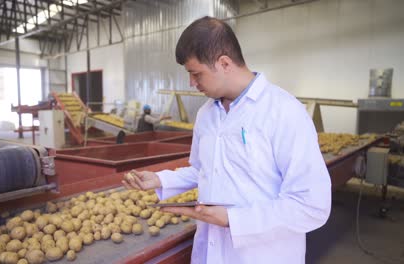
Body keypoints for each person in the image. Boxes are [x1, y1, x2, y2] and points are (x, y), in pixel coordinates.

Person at [123, 16, 331, 263]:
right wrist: (160, 179)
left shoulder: (283, 111)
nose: (191, 83)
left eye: (195, 73)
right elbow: (203, 170)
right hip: (210, 254)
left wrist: (235, 220)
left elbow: (311, 205)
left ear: (224, 63)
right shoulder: (206, 114)